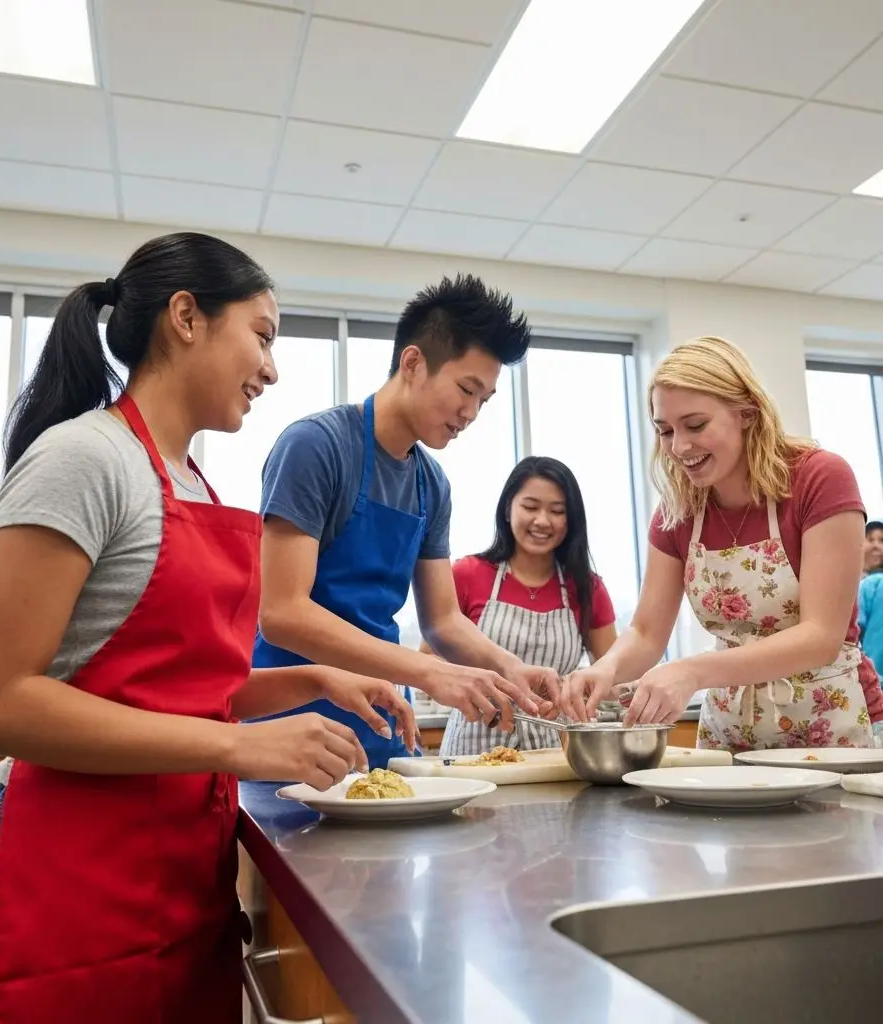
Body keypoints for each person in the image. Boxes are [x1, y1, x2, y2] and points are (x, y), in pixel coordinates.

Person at [0, 232, 417, 1024]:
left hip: (176, 884)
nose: (272, 367)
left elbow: (182, 690)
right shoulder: (85, 459)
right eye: (261, 335)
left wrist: (316, 680)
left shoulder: (190, 476)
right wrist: (237, 744)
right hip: (60, 887)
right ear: (186, 317)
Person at [252, 274, 559, 770]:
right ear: (413, 363)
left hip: (385, 727)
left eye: (484, 400)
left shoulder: (431, 484)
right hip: (294, 727)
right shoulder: (316, 447)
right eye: (466, 389)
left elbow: (442, 620)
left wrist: (511, 668)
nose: (472, 412)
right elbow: (283, 613)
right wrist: (427, 673)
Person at [563, 335, 883, 751]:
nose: (679, 447)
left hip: (830, 727)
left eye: (695, 425)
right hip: (730, 733)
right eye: (665, 430)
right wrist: (606, 669)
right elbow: (645, 632)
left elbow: (820, 636)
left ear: (747, 413)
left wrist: (692, 671)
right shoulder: (678, 510)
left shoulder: (818, 478)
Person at [434, 457, 618, 756]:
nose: (542, 521)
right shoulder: (467, 575)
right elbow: (431, 664)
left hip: (554, 751)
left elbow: (612, 676)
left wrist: (581, 689)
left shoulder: (587, 588)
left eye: (557, 511)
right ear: (508, 509)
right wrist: (473, 689)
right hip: (471, 749)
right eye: (530, 507)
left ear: (570, 520)